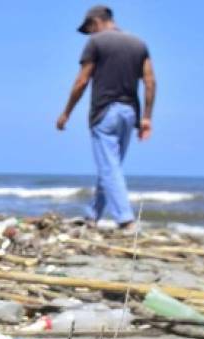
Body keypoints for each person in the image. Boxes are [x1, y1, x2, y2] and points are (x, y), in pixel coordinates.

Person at [56, 5, 156, 231]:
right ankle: (92, 216)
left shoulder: (97, 42)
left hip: (105, 112)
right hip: (130, 113)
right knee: (110, 165)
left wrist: (66, 113)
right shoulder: (138, 43)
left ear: (95, 22)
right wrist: (147, 117)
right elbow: (150, 81)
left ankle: (126, 220)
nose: (90, 34)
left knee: (109, 166)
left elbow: (82, 82)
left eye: (89, 29)